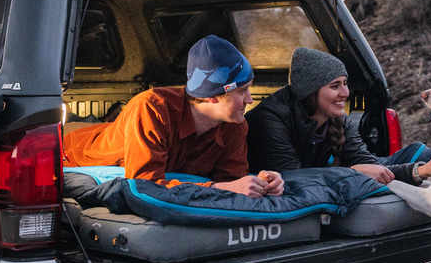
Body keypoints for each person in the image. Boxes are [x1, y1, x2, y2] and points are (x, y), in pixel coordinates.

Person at [64, 35, 283, 198]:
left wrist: (262, 183)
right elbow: (144, 184)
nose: (250, 100)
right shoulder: (151, 107)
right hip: (71, 151)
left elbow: (233, 182)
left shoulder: (235, 124)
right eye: (242, 91)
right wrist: (217, 188)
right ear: (212, 97)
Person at [246, 47, 431, 185]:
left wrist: (418, 171)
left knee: (420, 152)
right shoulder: (270, 118)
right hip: (280, 194)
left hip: (320, 181)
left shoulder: (337, 119)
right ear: (310, 91)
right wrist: (353, 172)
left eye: (345, 83)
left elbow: (367, 163)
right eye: (335, 86)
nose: (345, 93)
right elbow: (292, 177)